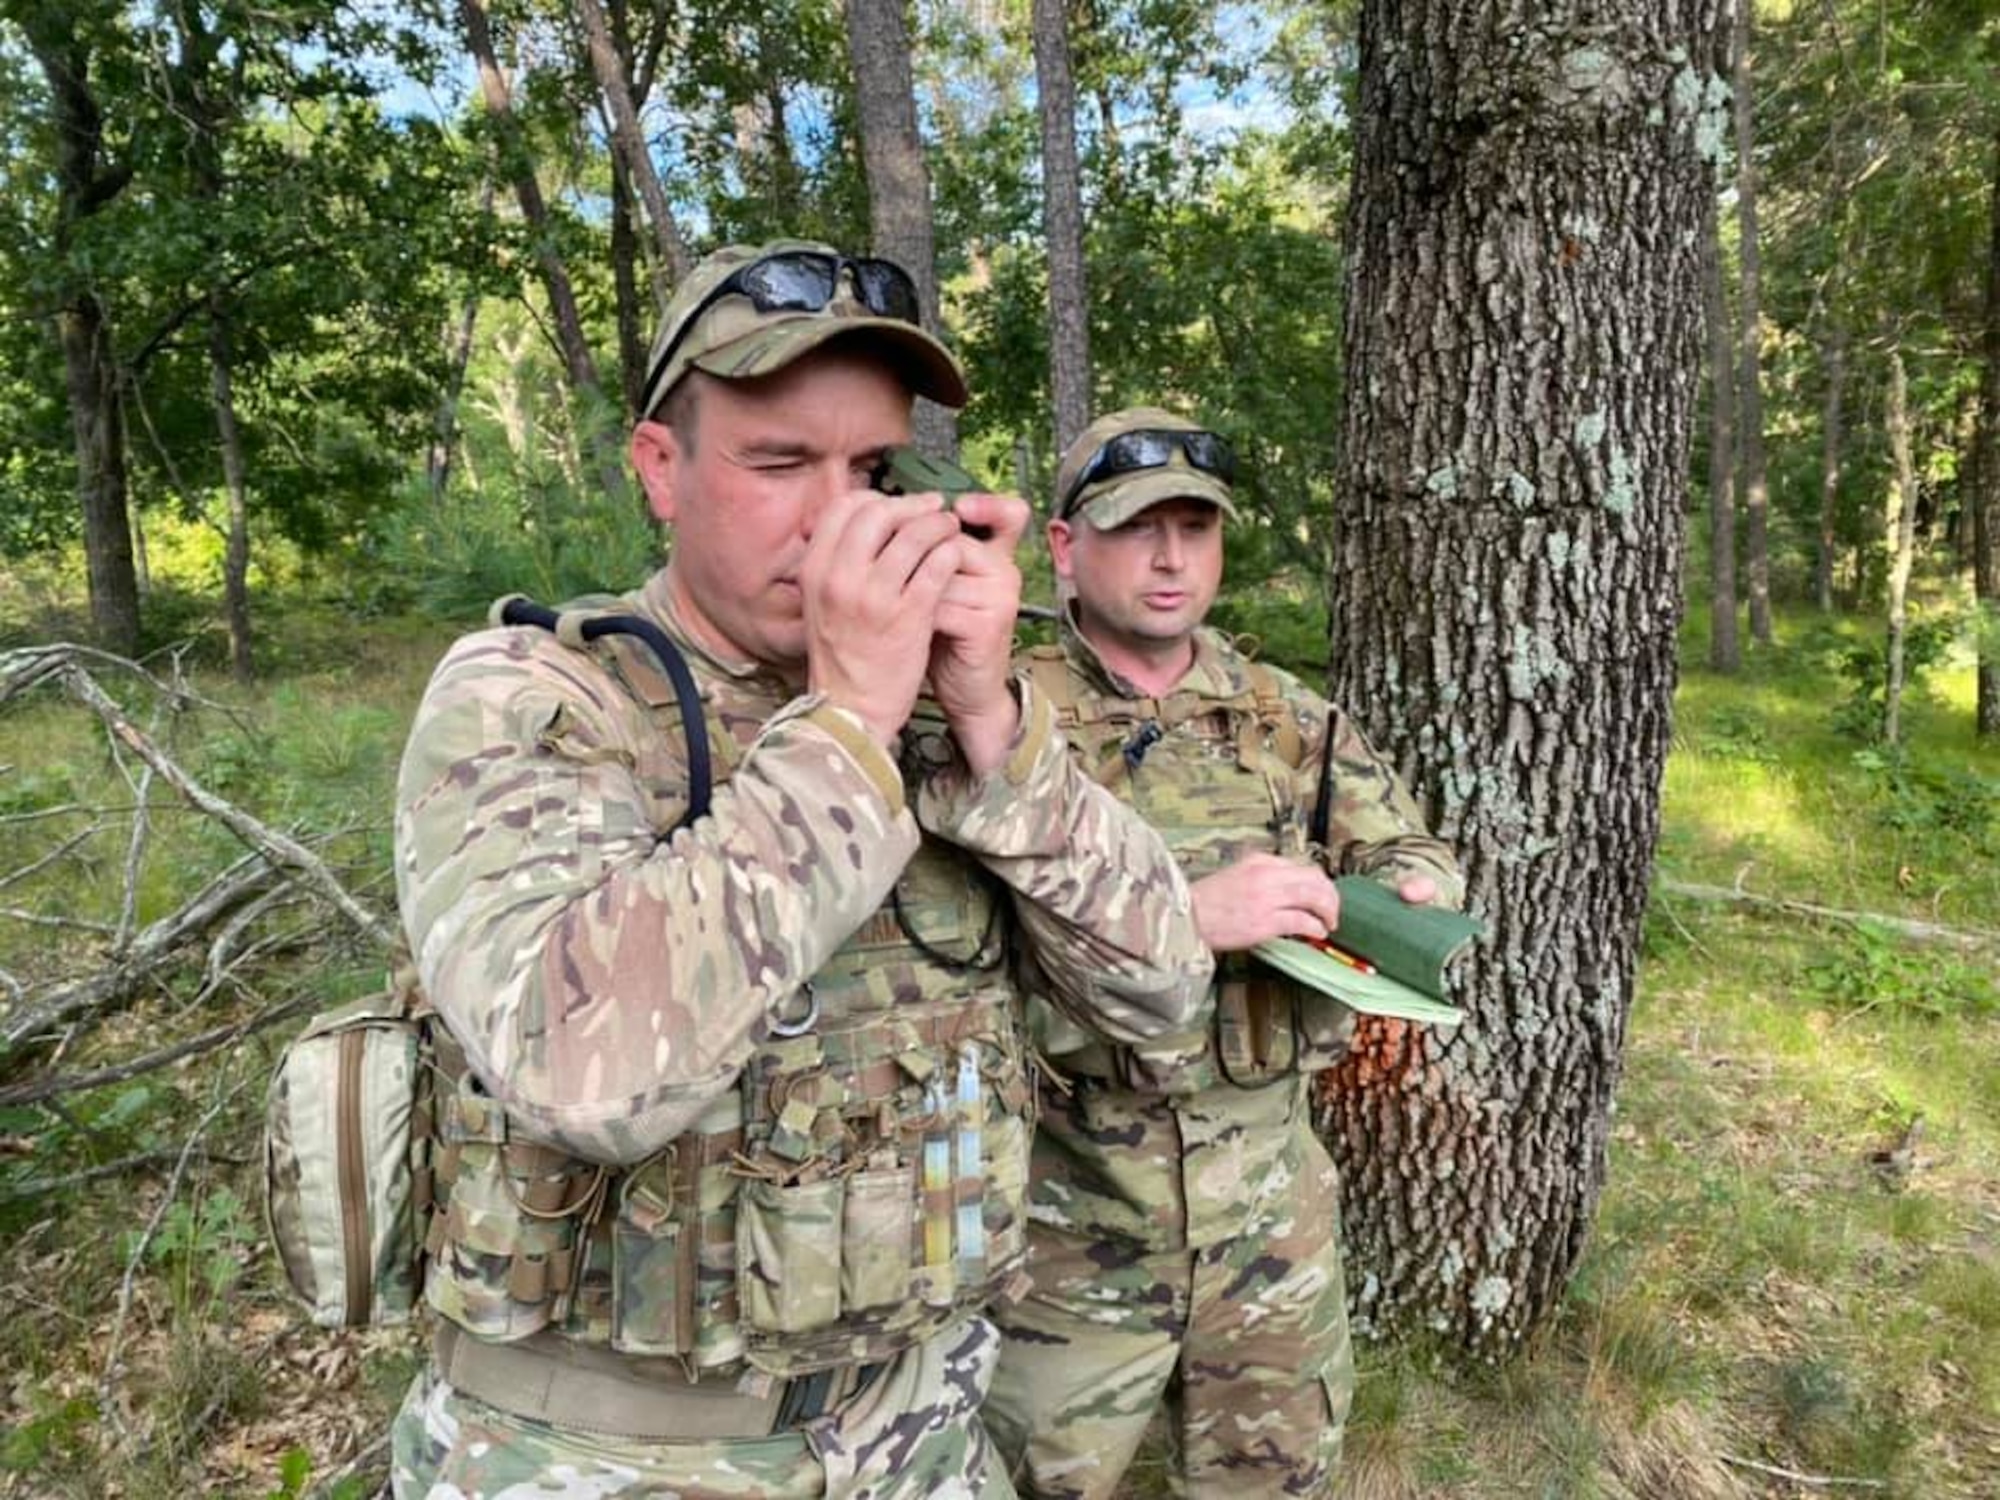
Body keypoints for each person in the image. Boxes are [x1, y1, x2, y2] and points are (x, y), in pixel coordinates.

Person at [387, 249, 1214, 1500]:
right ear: (661, 469)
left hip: (922, 1429)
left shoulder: (949, 710)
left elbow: (1163, 994)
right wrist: (846, 721)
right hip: (612, 1455)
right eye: (780, 465)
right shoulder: (538, 698)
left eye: (873, 472)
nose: (840, 518)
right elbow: (584, 1071)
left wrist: (990, 727)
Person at [983, 407, 1466, 1499]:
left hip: (1265, 1220)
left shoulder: (1283, 718)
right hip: (1066, 1222)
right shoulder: (1000, 723)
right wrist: (1185, 915)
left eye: (1194, 528)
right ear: (1064, 547)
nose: (1169, 558)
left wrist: (1407, 890)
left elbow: (1406, 847)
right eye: (1136, 527)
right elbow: (944, 955)